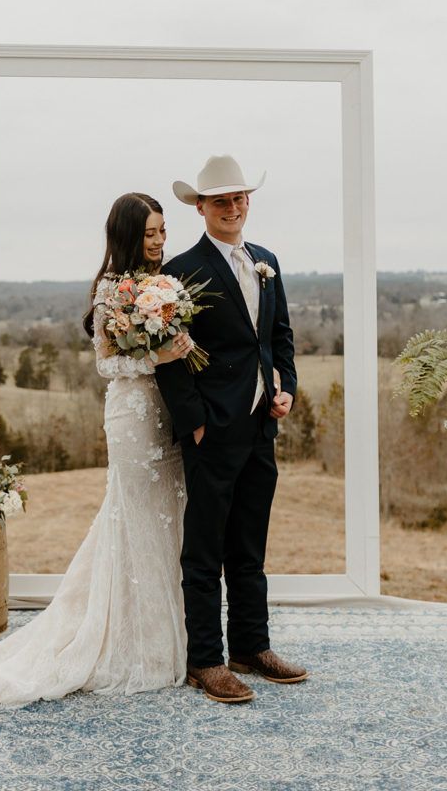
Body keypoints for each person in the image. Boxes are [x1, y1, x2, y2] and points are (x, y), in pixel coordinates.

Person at [0, 193, 192, 708]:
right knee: (134, 518)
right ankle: (131, 644)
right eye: (150, 233)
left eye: (163, 231)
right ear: (127, 235)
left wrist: (174, 351)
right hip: (130, 418)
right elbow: (108, 364)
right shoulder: (110, 290)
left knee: (169, 516)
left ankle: (170, 634)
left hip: (168, 414)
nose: (159, 241)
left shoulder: (165, 285)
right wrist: (157, 355)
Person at [155, 155, 309, 704]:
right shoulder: (180, 271)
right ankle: (205, 661)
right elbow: (168, 358)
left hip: (261, 425)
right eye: (221, 200)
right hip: (212, 430)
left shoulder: (267, 261)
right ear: (201, 208)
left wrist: (286, 386)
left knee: (249, 545)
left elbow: (279, 338)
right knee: (204, 550)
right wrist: (194, 423)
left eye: (240, 198)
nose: (233, 207)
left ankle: (252, 646)